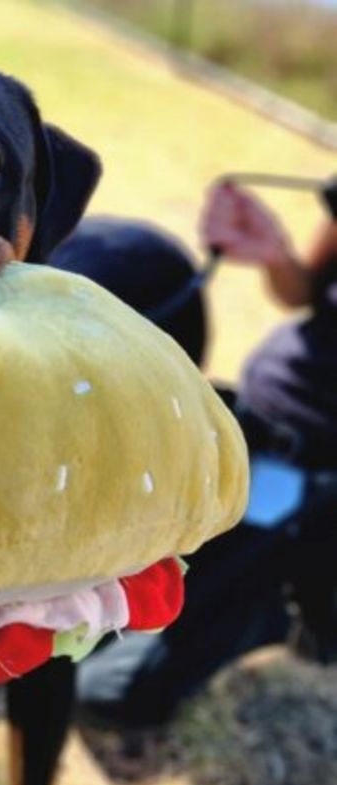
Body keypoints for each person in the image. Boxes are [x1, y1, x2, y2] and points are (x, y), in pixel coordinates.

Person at [76, 181, 337, 729]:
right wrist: (275, 254)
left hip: (315, 476)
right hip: (252, 416)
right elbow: (312, 290)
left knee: (108, 691)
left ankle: (284, 602)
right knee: (74, 602)